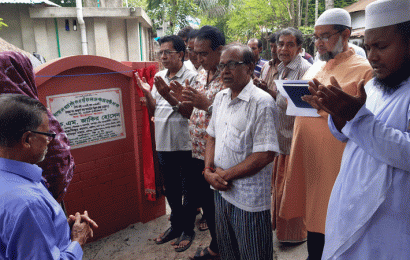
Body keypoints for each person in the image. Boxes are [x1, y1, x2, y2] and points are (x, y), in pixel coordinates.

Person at [304, 1, 410, 259]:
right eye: (369, 46)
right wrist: (339, 116)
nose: (372, 56)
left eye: (382, 46)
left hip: (390, 225)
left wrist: (356, 118)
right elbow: (349, 135)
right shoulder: (374, 86)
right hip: (349, 208)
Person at [280, 8, 373, 260]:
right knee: (313, 222)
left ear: (345, 34)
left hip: (337, 164)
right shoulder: (315, 67)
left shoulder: (364, 71)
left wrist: (325, 108)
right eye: (315, 37)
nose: (318, 42)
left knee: (332, 222)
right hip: (310, 162)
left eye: (325, 36)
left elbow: (365, 121)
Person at [0, 94, 98, 259]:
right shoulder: (29, 204)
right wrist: (77, 240)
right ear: (27, 139)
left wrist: (54, 227)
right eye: (47, 134)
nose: (49, 141)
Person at [204, 43, 279, 260]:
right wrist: (208, 171)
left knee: (254, 254)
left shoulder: (262, 103)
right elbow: (212, 136)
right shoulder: (220, 98)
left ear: (250, 67)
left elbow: (265, 155)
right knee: (228, 252)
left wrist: (224, 176)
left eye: (231, 65)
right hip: (221, 192)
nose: (225, 71)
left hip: (249, 200)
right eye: (222, 66)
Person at [135, 35, 198, 252]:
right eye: (160, 52)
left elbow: (190, 112)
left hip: (184, 143)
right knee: (170, 189)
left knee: (189, 189)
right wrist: (147, 92)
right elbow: (153, 110)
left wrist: (168, 95)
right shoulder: (160, 75)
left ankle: (188, 229)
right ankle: (176, 225)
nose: (162, 56)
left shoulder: (191, 76)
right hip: (163, 142)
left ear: (180, 54)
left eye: (167, 52)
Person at [0, 51, 74, 204]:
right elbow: (60, 161)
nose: (48, 140)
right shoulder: (36, 115)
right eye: (46, 136)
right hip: (37, 199)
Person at [181, 25, 226, 260]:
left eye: (203, 53)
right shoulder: (200, 73)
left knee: (219, 207)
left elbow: (232, 115)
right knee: (208, 206)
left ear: (219, 50)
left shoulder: (229, 75)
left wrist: (206, 103)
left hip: (219, 155)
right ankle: (217, 245)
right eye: (195, 53)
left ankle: (220, 248)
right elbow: (192, 110)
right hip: (198, 150)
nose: (197, 58)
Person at [264, 27, 312, 243]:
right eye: (281, 44)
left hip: (294, 141)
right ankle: (284, 233)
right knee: (281, 191)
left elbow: (304, 108)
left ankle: (297, 236)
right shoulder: (282, 67)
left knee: (292, 193)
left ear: (300, 48)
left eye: (290, 44)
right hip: (280, 140)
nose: (283, 48)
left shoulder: (305, 70)